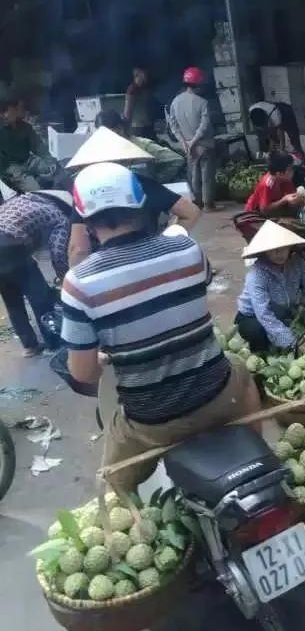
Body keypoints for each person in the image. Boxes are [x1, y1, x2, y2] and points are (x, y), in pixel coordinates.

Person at [60, 162, 261, 491]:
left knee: (111, 489)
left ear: (85, 218)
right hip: (219, 395)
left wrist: (103, 358)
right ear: (140, 203)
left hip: (151, 421)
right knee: (240, 370)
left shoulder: (79, 283)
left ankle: (117, 503)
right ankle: (253, 456)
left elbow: (83, 374)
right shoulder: (186, 249)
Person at [65, 126, 201, 266]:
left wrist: (78, 277)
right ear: (124, 160)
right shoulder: (143, 183)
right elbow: (191, 212)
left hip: (107, 268)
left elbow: (78, 248)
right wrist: (164, 243)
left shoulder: (86, 192)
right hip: (153, 261)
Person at [0, 190, 71, 356]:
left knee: (12, 300)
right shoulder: (58, 216)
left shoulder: (22, 202)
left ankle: (30, 346)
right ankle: (54, 343)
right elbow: (58, 253)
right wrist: (65, 279)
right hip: (8, 246)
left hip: (7, 243)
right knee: (40, 297)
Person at [235, 220, 305, 353]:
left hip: (284, 310)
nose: (279, 253)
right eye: (273, 250)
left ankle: (281, 335)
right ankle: (263, 350)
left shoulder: (297, 264)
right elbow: (264, 315)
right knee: (256, 331)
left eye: (283, 248)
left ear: (290, 247)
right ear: (264, 251)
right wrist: (293, 343)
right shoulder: (256, 275)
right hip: (253, 316)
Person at [168, 67, 218, 211]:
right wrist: (194, 140)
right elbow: (204, 125)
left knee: (193, 174)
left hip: (187, 146)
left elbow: (173, 124)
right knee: (206, 174)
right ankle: (208, 204)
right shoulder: (203, 102)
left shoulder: (175, 102)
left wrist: (184, 142)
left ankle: (197, 203)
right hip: (204, 144)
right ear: (199, 84)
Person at [96, 109, 184, 183]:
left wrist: (156, 180)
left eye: (106, 134)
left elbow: (177, 159)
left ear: (119, 129)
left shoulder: (143, 146)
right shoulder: (104, 150)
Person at [0, 96, 58, 192]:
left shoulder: (25, 127)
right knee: (35, 190)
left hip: (28, 161)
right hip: (11, 168)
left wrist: (50, 162)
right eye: (2, 112)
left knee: (53, 170)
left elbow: (39, 147)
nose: (4, 116)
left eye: (7, 111)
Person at [245, 151, 305, 217]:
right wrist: (284, 200)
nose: (293, 171)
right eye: (290, 169)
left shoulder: (286, 179)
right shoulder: (267, 185)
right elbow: (264, 210)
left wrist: (298, 199)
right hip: (255, 214)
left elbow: (291, 196)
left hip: (274, 208)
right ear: (280, 174)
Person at [123, 66, 155, 139]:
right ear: (138, 74)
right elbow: (128, 113)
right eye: (145, 73)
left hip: (148, 127)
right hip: (139, 129)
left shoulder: (144, 88)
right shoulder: (132, 89)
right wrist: (126, 131)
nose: (147, 74)